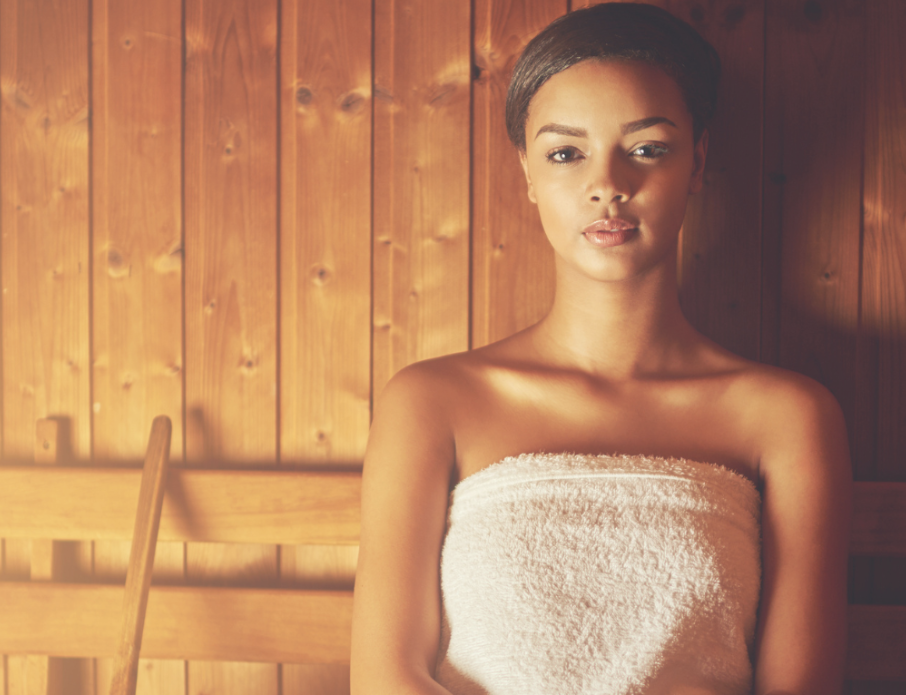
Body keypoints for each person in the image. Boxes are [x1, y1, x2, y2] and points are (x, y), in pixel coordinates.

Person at [350, 4, 851, 694]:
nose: (608, 184)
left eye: (647, 148)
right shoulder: (432, 403)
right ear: (528, 173)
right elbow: (386, 677)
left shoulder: (786, 416)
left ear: (697, 162)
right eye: (566, 153)